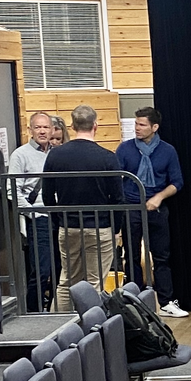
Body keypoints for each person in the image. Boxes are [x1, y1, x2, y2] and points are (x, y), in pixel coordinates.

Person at [43, 104, 135, 311]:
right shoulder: (107, 157)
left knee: (66, 281)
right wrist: (116, 228)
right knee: (96, 282)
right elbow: (118, 198)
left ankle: (57, 324)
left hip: (68, 226)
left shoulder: (55, 155)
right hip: (100, 227)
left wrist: (59, 221)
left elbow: (47, 195)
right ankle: (92, 325)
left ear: (72, 126)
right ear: (95, 125)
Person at [116, 106, 186, 318]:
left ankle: (166, 302)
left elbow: (177, 182)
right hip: (131, 208)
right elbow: (116, 179)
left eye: (142, 124)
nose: (137, 128)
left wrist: (159, 197)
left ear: (154, 127)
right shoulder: (125, 149)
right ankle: (136, 304)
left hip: (157, 209)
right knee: (131, 256)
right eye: (135, 124)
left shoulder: (167, 151)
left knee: (162, 257)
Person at [7, 111, 58, 311]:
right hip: (38, 219)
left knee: (60, 269)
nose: (42, 131)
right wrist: (32, 213)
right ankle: (33, 313)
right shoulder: (20, 155)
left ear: (52, 130)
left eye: (46, 127)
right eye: (38, 127)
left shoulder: (57, 153)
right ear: (30, 130)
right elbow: (12, 189)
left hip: (59, 217)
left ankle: (55, 311)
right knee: (41, 271)